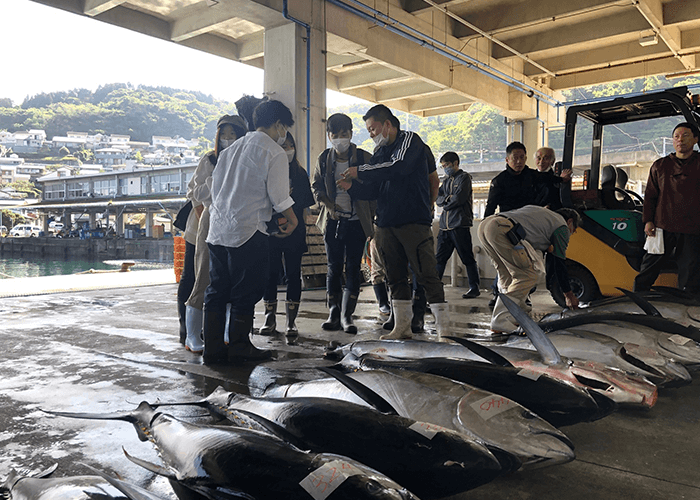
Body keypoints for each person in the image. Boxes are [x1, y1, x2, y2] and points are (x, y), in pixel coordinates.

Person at [338, 104, 450, 341]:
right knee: (395, 276)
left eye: (373, 129)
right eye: (368, 131)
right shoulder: (379, 153)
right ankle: (402, 327)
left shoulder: (410, 141)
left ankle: (445, 331)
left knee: (427, 274)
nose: (371, 134)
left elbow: (398, 167)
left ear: (387, 124)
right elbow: (374, 188)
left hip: (413, 222)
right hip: (386, 223)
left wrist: (361, 171)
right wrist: (354, 187)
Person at [202, 100, 298, 365]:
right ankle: (240, 346)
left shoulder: (231, 150)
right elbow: (279, 196)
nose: (284, 134)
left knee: (217, 290)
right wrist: (292, 219)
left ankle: (212, 350)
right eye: (284, 128)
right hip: (248, 230)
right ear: (278, 124)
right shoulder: (274, 152)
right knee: (246, 290)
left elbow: (216, 189)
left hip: (219, 230)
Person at [183, 114, 247, 353]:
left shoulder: (244, 159)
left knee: (231, 279)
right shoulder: (210, 159)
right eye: (225, 135)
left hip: (237, 220)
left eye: (234, 135)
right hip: (212, 219)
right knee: (203, 276)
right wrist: (213, 183)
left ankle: (229, 333)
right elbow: (194, 192)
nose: (228, 140)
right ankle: (191, 336)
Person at [312, 113, 375, 334]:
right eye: (335, 135)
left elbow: (373, 189)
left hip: (357, 222)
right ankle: (333, 312)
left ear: (351, 133)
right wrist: (329, 206)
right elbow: (316, 187)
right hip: (333, 222)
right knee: (333, 268)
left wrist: (354, 188)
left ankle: (348, 316)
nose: (340, 139)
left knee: (353, 268)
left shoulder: (364, 158)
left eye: (344, 134)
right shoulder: (323, 159)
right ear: (329, 136)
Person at [479, 205, 580, 334]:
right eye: (574, 229)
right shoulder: (562, 226)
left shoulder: (545, 216)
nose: (572, 232)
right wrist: (569, 295)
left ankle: (514, 316)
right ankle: (501, 319)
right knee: (527, 276)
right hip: (501, 228)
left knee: (508, 277)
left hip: (486, 226)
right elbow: (558, 263)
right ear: (570, 221)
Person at [633, 122, 700, 297]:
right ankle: (638, 297)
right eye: (676, 136)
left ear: (695, 139)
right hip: (662, 225)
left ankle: (687, 304)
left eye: (685, 135)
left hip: (692, 227)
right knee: (650, 265)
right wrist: (648, 220)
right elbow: (650, 195)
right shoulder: (660, 165)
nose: (680, 140)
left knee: (690, 268)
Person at [260, 132, 315, 337]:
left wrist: (299, 229)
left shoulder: (300, 174)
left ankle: (291, 321)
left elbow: (304, 208)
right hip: (270, 231)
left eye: (290, 146)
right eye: (282, 146)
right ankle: (269, 317)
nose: (287, 150)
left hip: (295, 231)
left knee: (293, 274)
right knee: (270, 274)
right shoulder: (267, 171)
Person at [484, 141, 548, 306]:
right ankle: (498, 294)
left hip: (529, 227)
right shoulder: (499, 181)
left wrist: (562, 179)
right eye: (515, 158)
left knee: (526, 263)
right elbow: (490, 205)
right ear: (507, 159)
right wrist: (484, 228)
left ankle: (524, 294)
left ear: (526, 157)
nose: (519, 161)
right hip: (506, 227)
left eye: (522, 157)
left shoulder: (533, 176)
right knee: (507, 262)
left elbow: (549, 179)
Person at [434, 151, 480, 299]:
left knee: (467, 258)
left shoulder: (464, 178)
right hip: (445, 227)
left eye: (447, 165)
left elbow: (459, 198)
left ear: (455, 163)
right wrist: (447, 200)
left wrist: (445, 201)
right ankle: (434, 288)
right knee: (439, 259)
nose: (445, 168)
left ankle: (474, 287)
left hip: (460, 224)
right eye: (443, 166)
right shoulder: (446, 180)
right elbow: (437, 198)